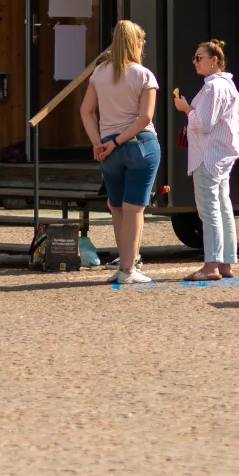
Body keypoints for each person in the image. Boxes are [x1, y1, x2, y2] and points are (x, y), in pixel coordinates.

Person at [80, 20, 162, 285]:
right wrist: (117, 142)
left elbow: (86, 111)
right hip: (140, 144)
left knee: (116, 207)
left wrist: (99, 143)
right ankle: (129, 268)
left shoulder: (100, 73)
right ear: (136, 43)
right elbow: (144, 117)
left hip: (108, 148)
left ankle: (123, 265)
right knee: (134, 208)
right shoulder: (144, 75)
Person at [174, 40, 239, 281]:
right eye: (194, 57)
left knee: (210, 210)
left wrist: (185, 108)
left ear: (214, 60)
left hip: (208, 155)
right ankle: (225, 263)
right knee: (223, 208)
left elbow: (203, 123)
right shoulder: (229, 86)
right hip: (222, 154)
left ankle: (211, 265)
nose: (195, 62)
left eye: (199, 57)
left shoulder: (214, 87)